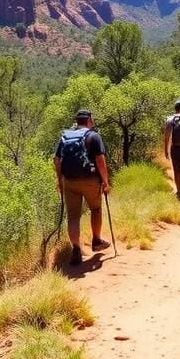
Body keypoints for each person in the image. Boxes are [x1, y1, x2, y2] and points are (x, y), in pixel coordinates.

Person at [54, 109, 112, 266]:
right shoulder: (93, 136)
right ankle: (96, 240)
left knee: (73, 216)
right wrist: (106, 182)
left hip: (69, 181)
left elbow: (57, 160)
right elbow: (100, 160)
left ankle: (76, 249)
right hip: (90, 180)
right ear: (89, 121)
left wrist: (60, 181)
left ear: (76, 121)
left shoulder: (65, 136)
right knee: (95, 209)